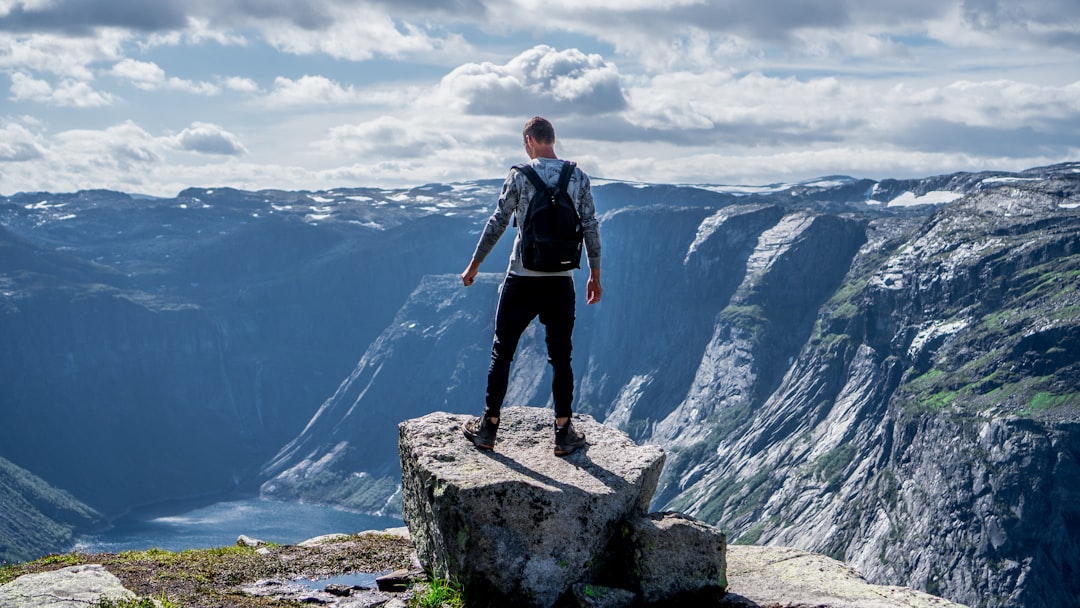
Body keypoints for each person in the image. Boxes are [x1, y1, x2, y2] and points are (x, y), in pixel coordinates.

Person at [460, 116, 602, 456]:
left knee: (503, 350)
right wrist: (595, 275)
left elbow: (497, 222)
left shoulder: (519, 176)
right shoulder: (577, 177)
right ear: (552, 139)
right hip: (561, 280)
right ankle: (563, 432)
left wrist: (475, 264)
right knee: (561, 356)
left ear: (528, 140)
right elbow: (591, 227)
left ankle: (488, 428)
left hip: (522, 278)